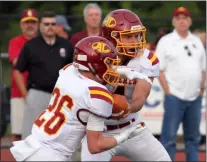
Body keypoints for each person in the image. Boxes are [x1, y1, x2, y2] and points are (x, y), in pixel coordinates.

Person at [10, 36, 138, 161]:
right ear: (95, 65)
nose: (112, 68)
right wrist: (125, 135)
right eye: (109, 63)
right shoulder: (97, 95)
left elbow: (87, 73)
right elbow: (96, 145)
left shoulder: (68, 71)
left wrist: (121, 71)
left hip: (34, 144)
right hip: (52, 155)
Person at [81, 9, 171, 161]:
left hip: (131, 128)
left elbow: (140, 98)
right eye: (128, 37)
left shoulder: (147, 60)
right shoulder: (94, 55)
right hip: (98, 130)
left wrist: (126, 107)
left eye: (137, 35)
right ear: (111, 37)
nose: (135, 41)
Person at [155, 7, 206, 161]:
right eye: (178, 18)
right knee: (168, 138)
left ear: (189, 21)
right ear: (173, 22)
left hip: (195, 98)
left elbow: (203, 68)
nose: (182, 21)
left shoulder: (196, 41)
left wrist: (201, 89)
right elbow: (158, 68)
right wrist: (167, 91)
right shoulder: (166, 41)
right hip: (174, 97)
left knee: (193, 139)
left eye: (185, 18)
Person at [13, 11, 74, 140]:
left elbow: (73, 70)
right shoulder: (31, 46)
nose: (50, 27)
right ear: (41, 26)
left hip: (60, 96)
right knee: (31, 135)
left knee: (62, 135)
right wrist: (25, 95)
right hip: (37, 93)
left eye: (53, 24)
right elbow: (17, 70)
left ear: (57, 26)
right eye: (46, 24)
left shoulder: (66, 45)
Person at [8, 8, 39, 141]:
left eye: (32, 22)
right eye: (27, 22)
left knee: (40, 131)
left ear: (37, 24)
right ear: (21, 24)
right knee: (18, 132)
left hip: (41, 92)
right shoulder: (15, 42)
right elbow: (17, 61)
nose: (30, 25)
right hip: (19, 93)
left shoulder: (43, 41)